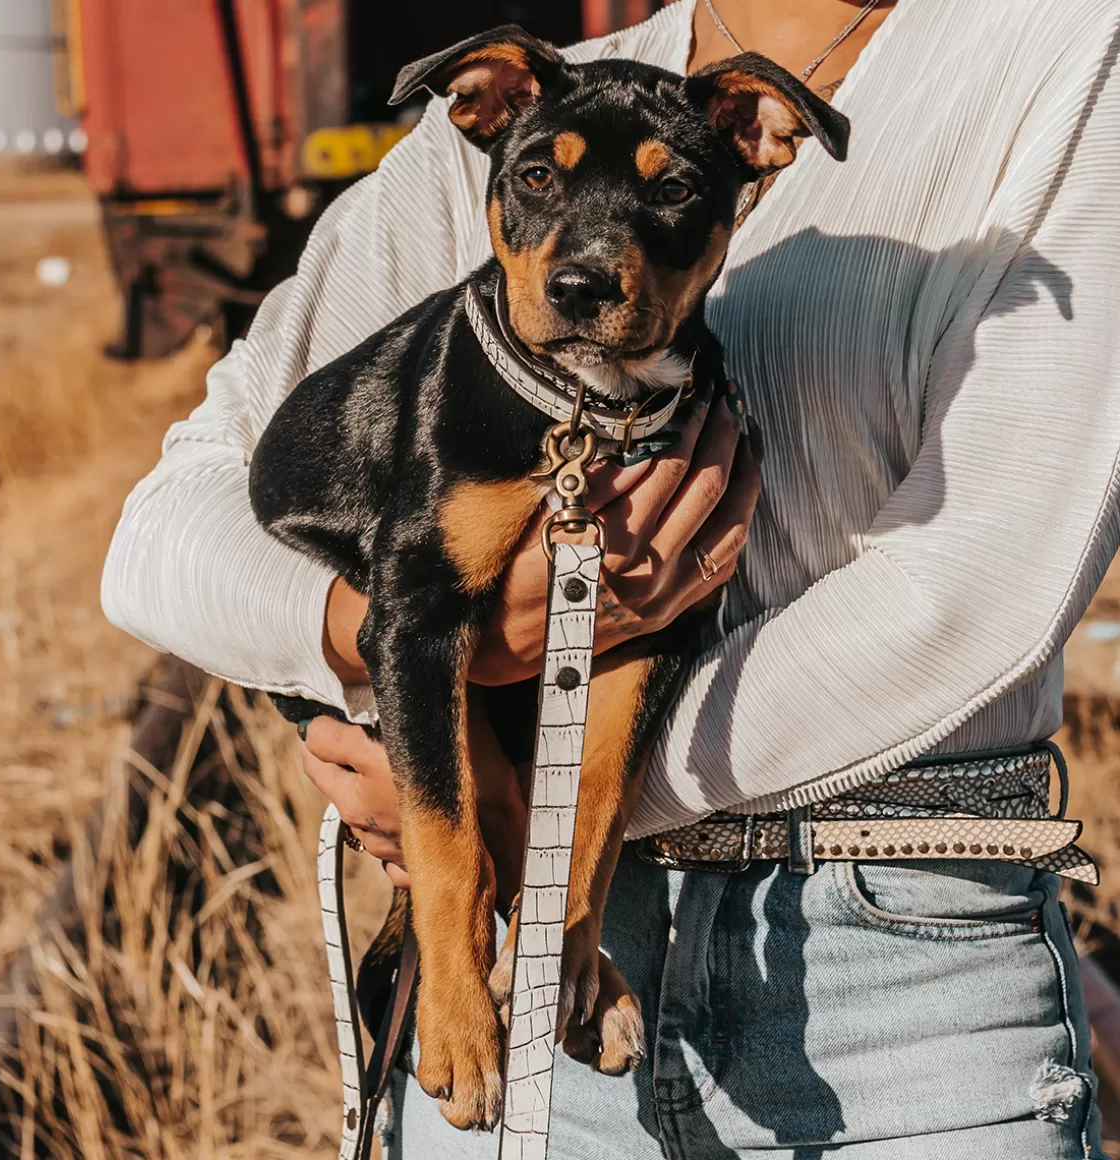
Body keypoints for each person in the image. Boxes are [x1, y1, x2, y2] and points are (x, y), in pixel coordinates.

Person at [102, 0, 1120, 1155]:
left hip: (887, 999)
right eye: (537, 190)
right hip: (516, 998)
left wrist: (531, 808)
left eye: (670, 196)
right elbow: (159, 536)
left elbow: (964, 600)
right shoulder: (525, 108)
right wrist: (385, 634)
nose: (589, 260)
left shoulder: (1071, 63)